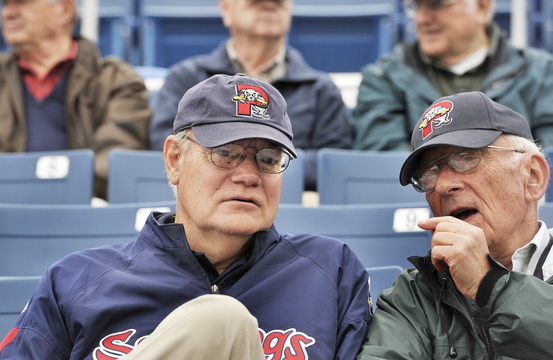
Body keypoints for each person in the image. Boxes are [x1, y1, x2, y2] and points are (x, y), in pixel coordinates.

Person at [0, 73, 370, 360]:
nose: (248, 174)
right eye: (226, 153)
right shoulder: (76, 279)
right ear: (174, 159)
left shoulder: (330, 270)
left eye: (269, 159)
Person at [357, 91, 553, 359]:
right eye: (428, 174)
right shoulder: (414, 295)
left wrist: (489, 284)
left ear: (533, 177)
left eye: (466, 158)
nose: (443, 185)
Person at [148, 0, 353, 191]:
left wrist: (229, 157)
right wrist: (273, 159)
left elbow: (333, 164)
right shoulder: (186, 79)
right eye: (257, 2)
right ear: (226, 8)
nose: (270, 6)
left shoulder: (321, 89)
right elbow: (168, 148)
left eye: (279, 2)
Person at [351, 0, 553, 152]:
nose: (421, 19)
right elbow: (383, 162)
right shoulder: (382, 79)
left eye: (436, 5)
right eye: (416, 6)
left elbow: (548, 161)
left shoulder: (542, 73)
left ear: (481, 7)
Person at [0, 0, 151, 199]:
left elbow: (113, 163)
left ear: (64, 9)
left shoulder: (118, 83)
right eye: (5, 4)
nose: (8, 13)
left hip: (82, 216)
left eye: (21, 3)